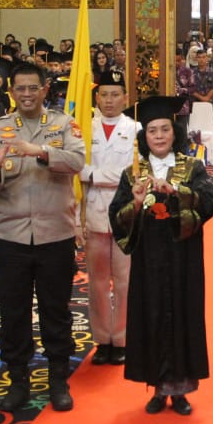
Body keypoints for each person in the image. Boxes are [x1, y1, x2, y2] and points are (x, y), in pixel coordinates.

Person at [0, 62, 86, 412]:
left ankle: (58, 379)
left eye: (32, 88)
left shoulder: (63, 124)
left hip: (56, 232)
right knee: (13, 310)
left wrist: (40, 152)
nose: (26, 94)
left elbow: (78, 161)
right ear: (11, 91)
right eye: (19, 89)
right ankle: (18, 379)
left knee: (56, 308)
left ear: (44, 89)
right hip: (10, 235)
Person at [109, 95, 213, 416]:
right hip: (148, 258)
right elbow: (117, 214)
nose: (158, 136)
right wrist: (136, 201)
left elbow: (209, 201)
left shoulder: (191, 166)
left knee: (183, 315)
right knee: (152, 315)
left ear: (175, 133)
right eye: (152, 131)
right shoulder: (133, 173)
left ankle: (181, 389)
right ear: (144, 136)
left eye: (164, 130)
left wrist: (178, 193)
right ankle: (158, 387)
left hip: (183, 254)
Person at [80, 73, 138, 366]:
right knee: (98, 282)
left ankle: (123, 338)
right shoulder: (83, 128)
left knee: (125, 281)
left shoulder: (135, 129)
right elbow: (77, 168)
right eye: (104, 95)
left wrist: (94, 176)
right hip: (93, 213)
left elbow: (132, 175)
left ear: (125, 98)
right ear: (96, 98)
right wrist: (95, 176)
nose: (110, 100)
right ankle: (102, 339)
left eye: (116, 94)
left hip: (125, 214)